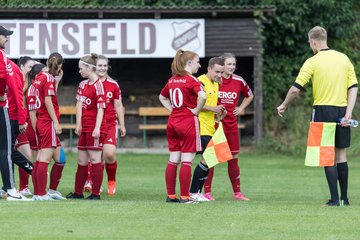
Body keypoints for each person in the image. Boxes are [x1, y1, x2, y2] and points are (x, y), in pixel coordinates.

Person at [277, 26, 358, 206]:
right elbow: (353, 87)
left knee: (327, 154)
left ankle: (334, 200)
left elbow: (295, 89)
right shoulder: (344, 58)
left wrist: (283, 105)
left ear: (313, 41)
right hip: (342, 110)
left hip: (322, 110)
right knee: (341, 154)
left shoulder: (312, 61)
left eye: (309, 42)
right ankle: (344, 199)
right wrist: (349, 111)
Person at [204, 53, 254, 201]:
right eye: (229, 64)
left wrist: (241, 108)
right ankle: (207, 192)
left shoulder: (239, 81)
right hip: (215, 125)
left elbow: (249, 95)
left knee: (234, 158)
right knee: (211, 158)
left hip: (231, 125)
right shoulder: (214, 81)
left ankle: (237, 193)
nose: (231, 67)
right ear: (222, 65)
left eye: (233, 64)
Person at [159, 49, 206, 203]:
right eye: (198, 62)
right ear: (189, 62)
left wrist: (172, 110)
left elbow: (162, 97)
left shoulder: (172, 80)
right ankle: (185, 197)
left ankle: (171, 196)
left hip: (173, 122)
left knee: (173, 159)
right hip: (187, 122)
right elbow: (203, 96)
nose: (199, 65)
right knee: (187, 160)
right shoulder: (192, 80)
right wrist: (196, 111)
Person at [83, 55, 126, 195]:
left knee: (109, 154)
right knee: (94, 155)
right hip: (93, 123)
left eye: (104, 66)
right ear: (94, 67)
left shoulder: (113, 85)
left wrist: (122, 125)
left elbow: (118, 105)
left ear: (107, 67)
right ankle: (92, 182)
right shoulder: (88, 84)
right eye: (99, 65)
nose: (102, 68)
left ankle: (111, 181)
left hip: (109, 124)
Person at [66, 53, 107, 200]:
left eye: (81, 68)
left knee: (95, 160)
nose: (79, 71)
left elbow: (101, 109)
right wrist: (78, 124)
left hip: (94, 127)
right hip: (84, 128)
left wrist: (97, 128)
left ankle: (95, 194)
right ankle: (78, 193)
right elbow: (79, 105)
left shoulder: (99, 86)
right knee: (81, 161)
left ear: (90, 68)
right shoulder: (82, 85)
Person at [0, 25, 31, 201]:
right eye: (4, 35)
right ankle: (11, 190)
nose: (7, 38)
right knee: (5, 151)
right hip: (2, 108)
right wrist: (22, 119)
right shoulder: (4, 59)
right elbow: (15, 90)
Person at [189, 57, 225, 202]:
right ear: (209, 69)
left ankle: (196, 192)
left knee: (209, 159)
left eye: (221, 72)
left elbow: (211, 105)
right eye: (217, 71)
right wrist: (213, 108)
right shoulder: (200, 82)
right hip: (199, 126)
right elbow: (195, 105)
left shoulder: (216, 83)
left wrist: (219, 112)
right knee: (208, 158)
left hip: (210, 127)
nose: (219, 75)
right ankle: (193, 192)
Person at [31, 52, 66, 200]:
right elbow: (48, 101)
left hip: (41, 121)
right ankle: (40, 194)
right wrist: (56, 123)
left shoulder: (39, 78)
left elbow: (48, 97)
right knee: (43, 159)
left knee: (60, 159)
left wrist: (56, 81)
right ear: (60, 65)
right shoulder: (48, 79)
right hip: (48, 122)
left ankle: (50, 191)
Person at [13, 56, 35, 196]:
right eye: (29, 67)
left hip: (22, 121)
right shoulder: (15, 78)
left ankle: (21, 187)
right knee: (25, 154)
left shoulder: (27, 80)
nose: (32, 70)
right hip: (16, 120)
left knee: (13, 154)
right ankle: (18, 187)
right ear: (21, 66)